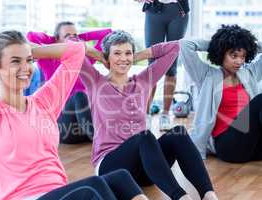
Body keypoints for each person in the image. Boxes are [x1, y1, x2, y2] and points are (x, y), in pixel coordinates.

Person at [0, 30, 148, 200]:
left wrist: (33, 50)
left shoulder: (44, 102)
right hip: (20, 196)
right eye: (15, 61)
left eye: (29, 60)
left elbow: (76, 52)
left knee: (121, 178)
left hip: (58, 192)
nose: (26, 68)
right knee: (94, 187)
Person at [79, 30, 218, 200]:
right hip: (111, 166)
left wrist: (137, 56)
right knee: (144, 136)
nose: (123, 58)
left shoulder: (143, 80)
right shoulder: (95, 82)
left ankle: (208, 194)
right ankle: (180, 197)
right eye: (117, 53)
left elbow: (175, 47)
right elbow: (73, 48)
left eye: (127, 53)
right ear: (107, 56)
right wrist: (98, 55)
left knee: (179, 134)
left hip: (144, 169)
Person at [180, 24, 262, 163]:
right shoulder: (207, 75)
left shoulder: (249, 73)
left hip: (251, 145)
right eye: (233, 55)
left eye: (243, 56)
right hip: (228, 145)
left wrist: (247, 45)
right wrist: (218, 44)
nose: (239, 61)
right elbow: (185, 45)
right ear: (221, 53)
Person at [27, 21, 112, 144]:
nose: (73, 37)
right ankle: (105, 143)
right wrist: (54, 40)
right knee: (79, 95)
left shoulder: (84, 58)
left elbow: (108, 34)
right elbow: (31, 36)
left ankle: (104, 138)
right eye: (67, 35)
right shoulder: (47, 60)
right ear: (56, 40)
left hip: (84, 128)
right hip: (64, 128)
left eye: (75, 34)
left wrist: (78, 39)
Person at [135, 0, 190, 130]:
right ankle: (146, 115)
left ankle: (165, 115)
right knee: (152, 65)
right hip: (154, 11)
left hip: (178, 11)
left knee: (171, 65)